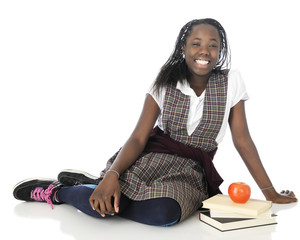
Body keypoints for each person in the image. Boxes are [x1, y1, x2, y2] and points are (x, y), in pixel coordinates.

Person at [13, 18, 297, 227]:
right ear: (183, 48)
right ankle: (59, 192)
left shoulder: (231, 81)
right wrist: (114, 174)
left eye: (213, 45)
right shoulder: (166, 80)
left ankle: (91, 185)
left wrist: (270, 193)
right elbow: (138, 137)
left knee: (164, 215)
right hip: (151, 159)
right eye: (196, 44)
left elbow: (242, 139)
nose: (204, 51)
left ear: (220, 50)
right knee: (102, 207)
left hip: (189, 171)